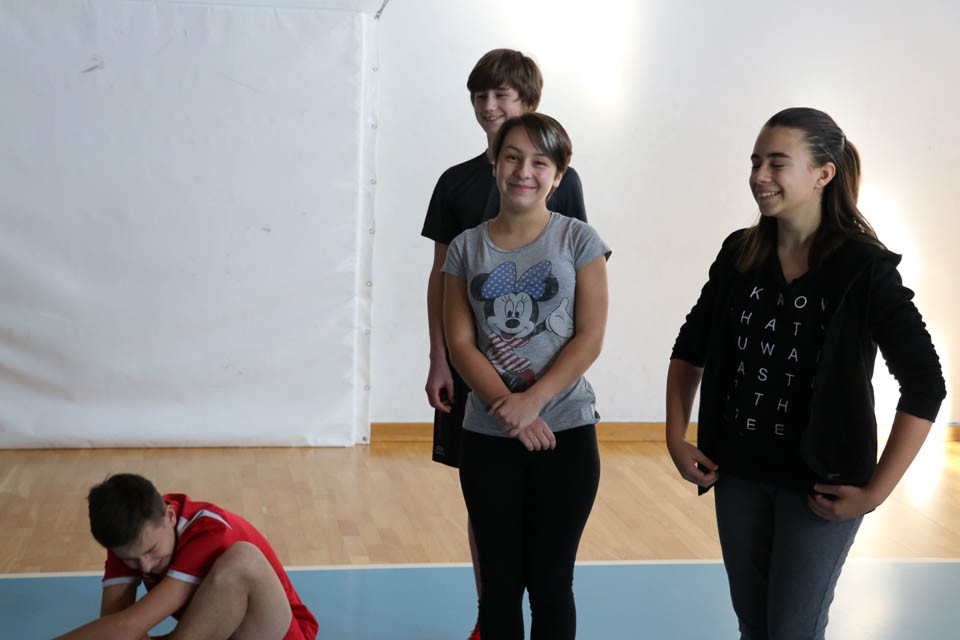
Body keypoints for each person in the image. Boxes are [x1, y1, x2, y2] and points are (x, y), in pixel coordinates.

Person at [665, 107, 946, 639]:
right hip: (738, 473)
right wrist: (674, 437)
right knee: (754, 626)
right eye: (755, 162)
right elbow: (689, 349)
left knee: (793, 630)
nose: (759, 176)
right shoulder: (739, 253)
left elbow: (926, 384)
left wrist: (875, 492)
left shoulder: (865, 268)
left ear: (823, 173)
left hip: (823, 486)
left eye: (777, 163)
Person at [421, 48, 587, 639]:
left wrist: (537, 398)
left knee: (550, 572)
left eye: (502, 95)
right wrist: (441, 359)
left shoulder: (566, 197)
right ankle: (487, 609)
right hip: (479, 385)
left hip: (551, 400)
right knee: (491, 525)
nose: (489, 106)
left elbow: (577, 297)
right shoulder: (456, 183)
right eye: (480, 95)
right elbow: (442, 278)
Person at [442, 112, 608, 639]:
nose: (523, 171)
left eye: (540, 162)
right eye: (512, 157)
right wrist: (507, 408)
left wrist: (532, 402)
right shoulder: (465, 247)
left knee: (551, 584)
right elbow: (460, 344)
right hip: (488, 436)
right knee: (498, 585)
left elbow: (589, 337)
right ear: (495, 163)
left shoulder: (579, 240)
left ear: (558, 176)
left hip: (567, 434)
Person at [54, 473, 318, 640]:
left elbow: (127, 626)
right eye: (131, 560)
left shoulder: (209, 530)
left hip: (278, 633)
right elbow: (114, 624)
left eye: (152, 551)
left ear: (169, 516)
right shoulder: (129, 541)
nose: (145, 566)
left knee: (243, 559)